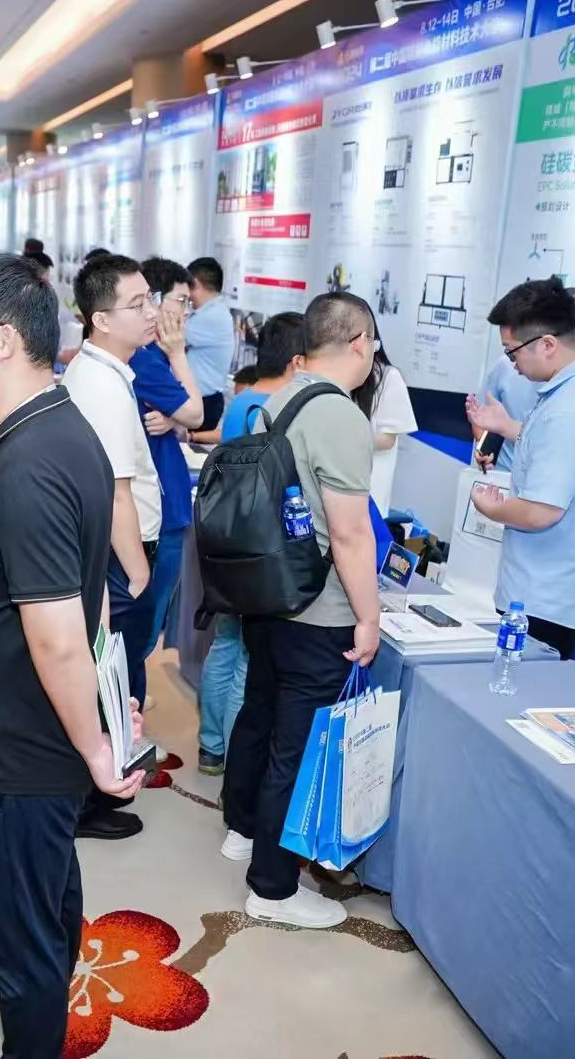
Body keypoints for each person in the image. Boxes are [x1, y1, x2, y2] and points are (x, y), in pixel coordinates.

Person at [0, 255, 145, 1058]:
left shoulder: (33, 460)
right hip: (25, 733)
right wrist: (102, 704)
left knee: (20, 946)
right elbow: (87, 593)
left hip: (20, 748)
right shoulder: (55, 427)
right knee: (44, 912)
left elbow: (57, 632)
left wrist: (96, 746)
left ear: (4, 340)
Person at [222, 291, 379, 931]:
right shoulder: (339, 415)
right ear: (360, 342)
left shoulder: (280, 397)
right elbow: (350, 533)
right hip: (318, 610)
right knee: (299, 747)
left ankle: (242, 829)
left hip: (270, 596)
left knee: (260, 715)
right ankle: (274, 887)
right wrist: (368, 617)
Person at [465, 276, 575, 660]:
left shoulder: (570, 410)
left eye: (512, 353)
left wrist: (492, 508)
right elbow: (571, 451)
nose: (513, 365)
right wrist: (508, 427)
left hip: (544, 595)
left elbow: (540, 512)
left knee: (521, 687)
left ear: (547, 344)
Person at [195, 313, 307, 774]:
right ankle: (236, 755)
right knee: (248, 657)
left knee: (224, 645)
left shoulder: (241, 402)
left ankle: (210, 746)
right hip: (262, 547)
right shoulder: (283, 407)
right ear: (298, 359)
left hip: (226, 541)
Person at [64, 256, 163, 720]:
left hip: (114, 554)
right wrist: (139, 574)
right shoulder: (102, 387)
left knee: (122, 672)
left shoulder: (102, 371)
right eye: (137, 304)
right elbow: (116, 492)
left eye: (150, 300)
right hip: (121, 557)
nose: (151, 312)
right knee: (117, 678)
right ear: (101, 320)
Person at [133, 257, 206, 654]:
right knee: (146, 626)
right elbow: (196, 414)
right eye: (181, 300)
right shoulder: (147, 360)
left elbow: (183, 420)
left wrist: (174, 420)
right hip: (160, 511)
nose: (186, 311)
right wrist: (179, 354)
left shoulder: (148, 357)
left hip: (163, 504)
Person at [475, 286, 575, 472]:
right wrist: (485, 449)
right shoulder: (508, 365)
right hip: (502, 475)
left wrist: (508, 428)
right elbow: (482, 416)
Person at [353, 342, 417, 512]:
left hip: (370, 488)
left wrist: (345, 440)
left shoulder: (389, 376)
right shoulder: (340, 373)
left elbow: (387, 439)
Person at [184, 256, 237, 430]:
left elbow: (168, 335)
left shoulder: (212, 316)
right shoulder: (210, 312)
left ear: (195, 283)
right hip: (203, 399)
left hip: (204, 401)